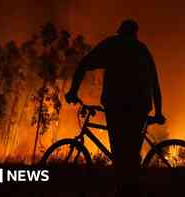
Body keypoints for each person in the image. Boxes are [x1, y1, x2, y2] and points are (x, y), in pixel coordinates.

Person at [65, 19, 165, 195]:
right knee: (131, 154)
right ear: (135, 33)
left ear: (120, 32)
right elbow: (154, 83)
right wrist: (158, 112)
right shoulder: (142, 50)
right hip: (139, 107)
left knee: (119, 153)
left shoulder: (112, 45)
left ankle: (123, 189)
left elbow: (83, 64)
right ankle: (131, 188)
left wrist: (73, 91)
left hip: (117, 105)